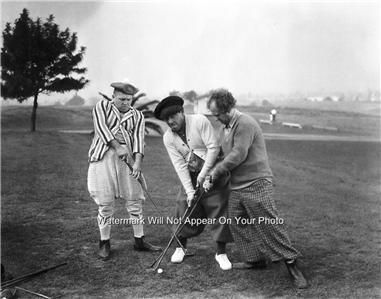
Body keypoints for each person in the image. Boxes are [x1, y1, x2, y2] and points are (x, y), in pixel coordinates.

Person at [206, 89, 308, 288]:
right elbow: (221, 153)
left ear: (227, 109)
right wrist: (206, 170)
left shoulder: (245, 123)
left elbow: (237, 155)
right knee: (237, 222)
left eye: (217, 114)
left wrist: (215, 173)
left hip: (257, 182)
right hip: (237, 186)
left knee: (268, 224)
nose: (215, 118)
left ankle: (293, 266)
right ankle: (256, 260)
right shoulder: (225, 127)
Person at [154, 95, 233, 270]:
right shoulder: (168, 137)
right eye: (166, 119)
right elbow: (180, 166)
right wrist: (190, 192)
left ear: (182, 112)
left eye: (173, 116)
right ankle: (180, 247)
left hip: (215, 172)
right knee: (183, 205)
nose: (170, 121)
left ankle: (221, 253)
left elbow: (213, 148)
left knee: (218, 209)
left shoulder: (199, 121)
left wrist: (204, 174)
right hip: (191, 175)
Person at [87, 80, 161, 260]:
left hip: (126, 158)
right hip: (103, 156)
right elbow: (102, 129)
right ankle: (104, 242)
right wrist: (116, 146)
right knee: (105, 203)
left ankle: (139, 240)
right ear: (113, 96)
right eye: (121, 99)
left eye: (128, 100)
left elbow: (138, 140)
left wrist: (137, 163)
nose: (125, 103)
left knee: (134, 200)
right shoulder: (101, 107)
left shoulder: (137, 115)